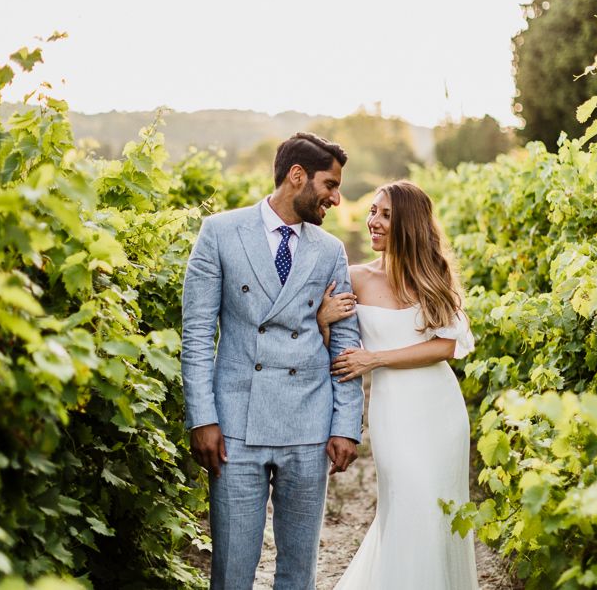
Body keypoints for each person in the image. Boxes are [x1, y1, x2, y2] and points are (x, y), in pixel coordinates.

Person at [181, 132, 364, 590]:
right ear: (297, 177)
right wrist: (202, 417)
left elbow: (345, 342)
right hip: (235, 425)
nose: (336, 199)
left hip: (308, 422)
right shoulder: (220, 233)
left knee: (298, 572)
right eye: (330, 185)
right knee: (232, 569)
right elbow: (198, 334)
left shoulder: (330, 251)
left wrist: (345, 424)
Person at [317, 180, 480, 589]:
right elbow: (324, 345)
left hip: (439, 411)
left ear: (408, 222)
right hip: (393, 412)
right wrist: (321, 319)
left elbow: (446, 347)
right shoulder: (354, 277)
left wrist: (376, 359)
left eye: (385, 214)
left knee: (437, 512)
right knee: (407, 506)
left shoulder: (433, 275)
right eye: (373, 211)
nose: (373, 221)